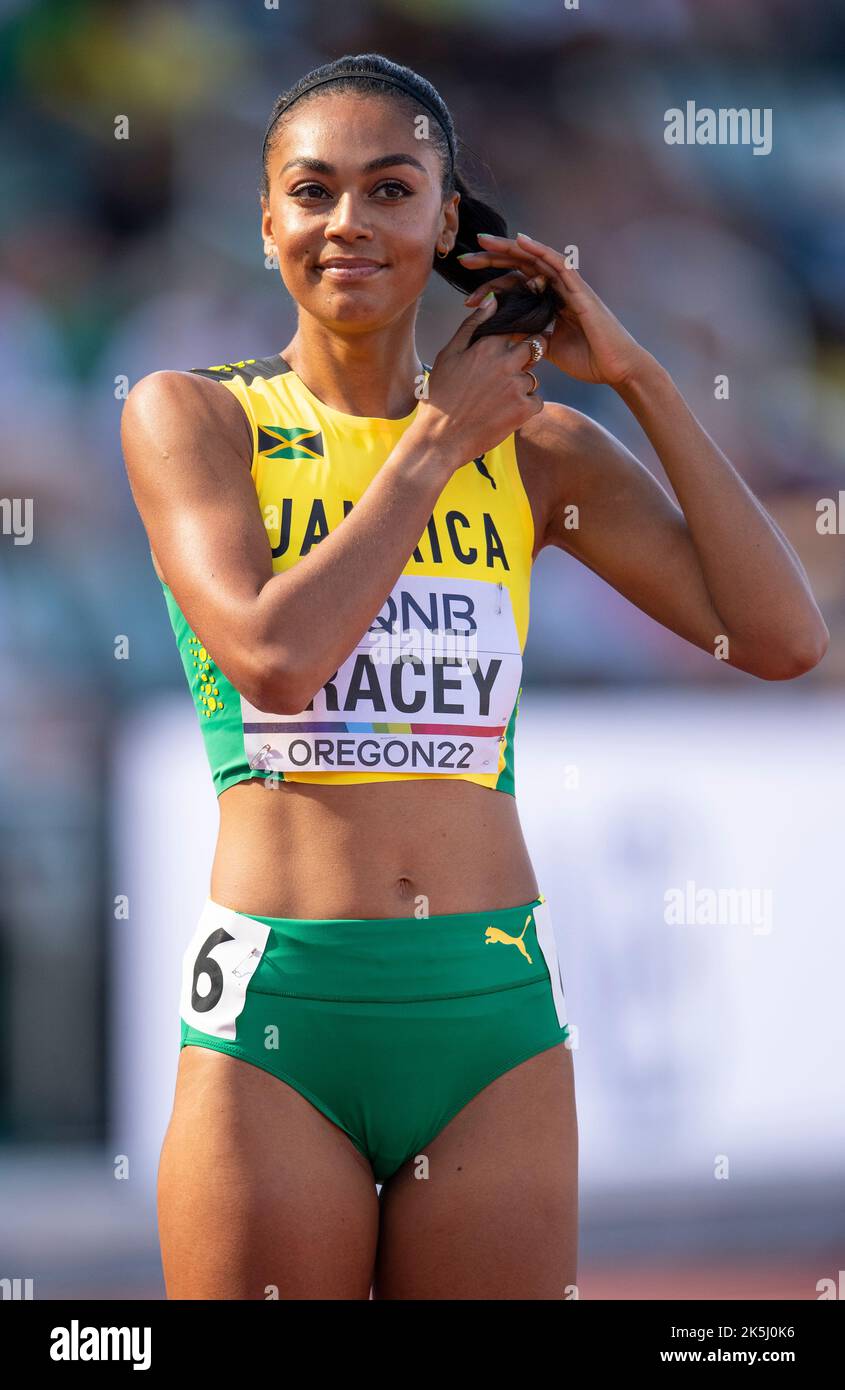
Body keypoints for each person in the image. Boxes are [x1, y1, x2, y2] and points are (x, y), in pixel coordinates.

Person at [120, 53, 829, 1301]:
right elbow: (275, 661)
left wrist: (638, 381)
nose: (348, 223)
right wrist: (435, 440)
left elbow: (780, 641)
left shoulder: (537, 445)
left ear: (446, 224)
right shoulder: (197, 417)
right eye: (312, 191)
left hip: (489, 1012)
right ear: (266, 217)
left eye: (390, 190)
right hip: (280, 1009)